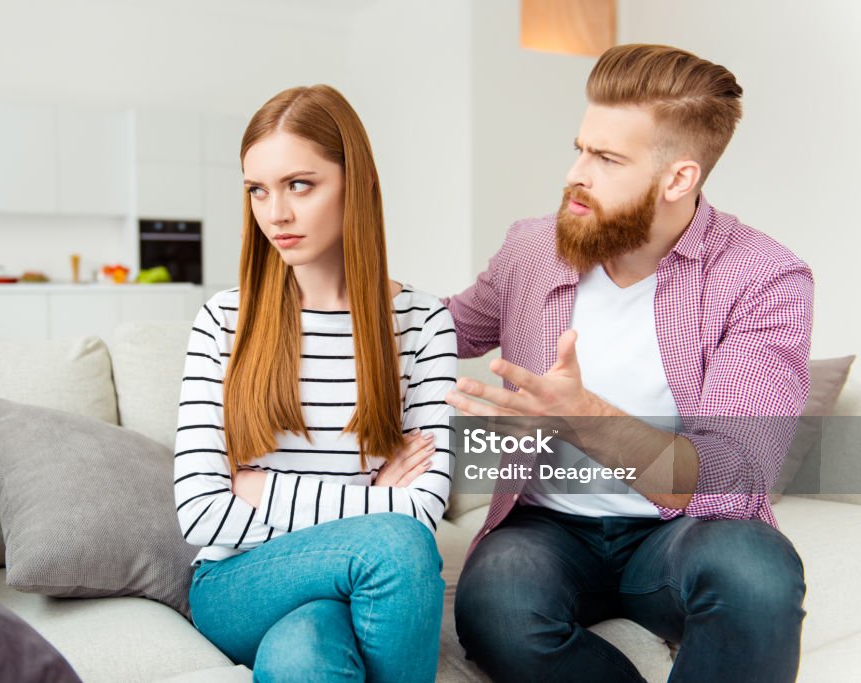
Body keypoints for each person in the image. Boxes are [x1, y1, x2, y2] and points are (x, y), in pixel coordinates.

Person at [445, 44, 812, 682]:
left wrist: (585, 418)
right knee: (495, 604)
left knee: (757, 572)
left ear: (678, 179)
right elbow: (447, 325)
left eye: (607, 159)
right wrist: (356, 297)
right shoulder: (533, 247)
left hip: (677, 536)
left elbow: (734, 475)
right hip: (547, 528)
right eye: (581, 147)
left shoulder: (763, 277)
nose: (575, 173)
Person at [173, 84, 457, 682]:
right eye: (258, 190)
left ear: (356, 182)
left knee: (304, 653)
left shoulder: (422, 322)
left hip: (350, 585)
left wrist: (259, 487)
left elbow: (426, 506)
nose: (276, 213)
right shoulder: (226, 319)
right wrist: (376, 502)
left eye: (299, 184)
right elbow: (200, 511)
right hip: (236, 581)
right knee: (395, 546)